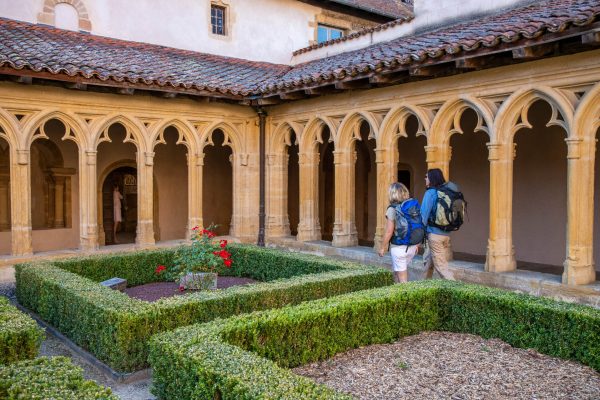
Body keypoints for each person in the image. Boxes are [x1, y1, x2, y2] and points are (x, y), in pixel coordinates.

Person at [378, 182, 420, 283]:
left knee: (403, 280)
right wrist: (417, 244)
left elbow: (389, 231)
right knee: (397, 272)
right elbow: (418, 224)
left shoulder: (392, 209)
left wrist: (383, 247)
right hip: (413, 246)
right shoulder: (411, 207)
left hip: (399, 248)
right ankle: (395, 293)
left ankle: (406, 298)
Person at [421, 168, 458, 280]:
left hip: (434, 236)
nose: (425, 179)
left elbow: (423, 216)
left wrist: (418, 235)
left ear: (431, 179)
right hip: (445, 234)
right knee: (428, 264)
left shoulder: (430, 193)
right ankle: (423, 289)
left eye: (426, 176)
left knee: (442, 268)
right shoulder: (445, 193)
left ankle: (458, 290)